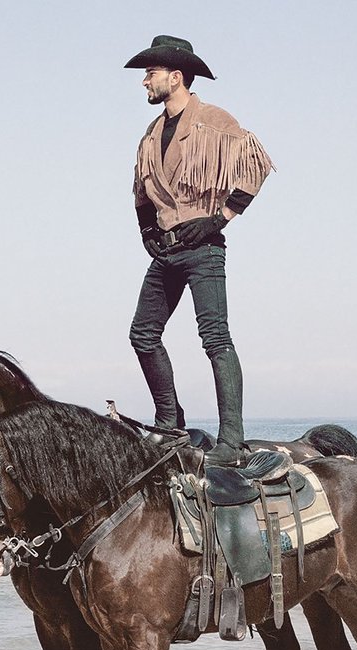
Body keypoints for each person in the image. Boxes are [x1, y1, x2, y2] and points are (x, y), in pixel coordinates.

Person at [125, 35, 273, 467]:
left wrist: (221, 217)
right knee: (142, 333)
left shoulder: (213, 119)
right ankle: (170, 425)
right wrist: (146, 230)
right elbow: (140, 190)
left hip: (204, 249)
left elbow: (256, 166)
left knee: (215, 337)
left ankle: (232, 438)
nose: (145, 82)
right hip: (166, 251)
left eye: (150, 74)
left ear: (176, 77)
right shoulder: (150, 134)